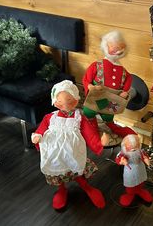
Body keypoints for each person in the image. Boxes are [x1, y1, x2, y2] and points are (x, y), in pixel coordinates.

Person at [31, 80, 109, 210]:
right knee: (57, 171)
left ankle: (87, 187)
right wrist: (38, 136)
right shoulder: (49, 117)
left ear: (76, 100)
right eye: (60, 101)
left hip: (74, 152)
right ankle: (61, 190)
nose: (65, 103)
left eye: (69, 99)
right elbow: (41, 129)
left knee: (77, 169)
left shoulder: (79, 117)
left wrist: (99, 143)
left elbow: (89, 133)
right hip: (55, 153)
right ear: (55, 102)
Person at [82, 30, 136, 138]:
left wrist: (125, 91)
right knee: (89, 114)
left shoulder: (124, 71)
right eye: (113, 47)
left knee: (108, 118)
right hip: (96, 97)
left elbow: (129, 79)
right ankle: (89, 132)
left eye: (119, 47)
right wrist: (90, 86)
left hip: (112, 101)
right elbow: (86, 79)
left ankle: (115, 130)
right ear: (106, 47)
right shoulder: (96, 65)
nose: (117, 50)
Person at [115, 134, 153, 207]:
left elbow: (144, 156)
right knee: (130, 183)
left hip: (140, 168)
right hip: (130, 171)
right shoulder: (123, 153)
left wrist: (146, 160)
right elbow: (118, 159)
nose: (134, 150)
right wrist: (122, 161)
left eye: (136, 147)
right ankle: (130, 194)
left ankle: (139, 190)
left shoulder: (140, 151)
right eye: (132, 148)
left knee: (140, 181)